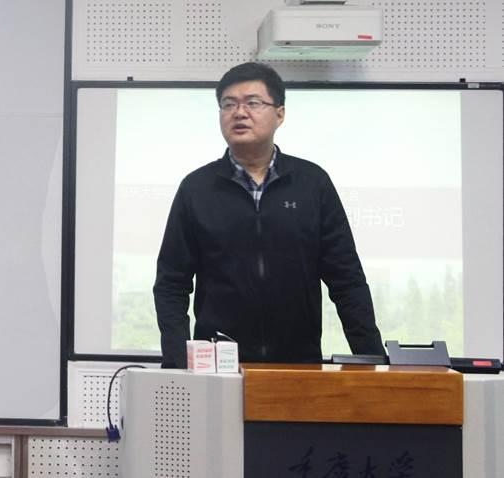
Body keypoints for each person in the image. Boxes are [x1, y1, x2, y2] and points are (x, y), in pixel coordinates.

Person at [153, 62, 384, 368]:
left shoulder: (312, 183)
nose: (239, 112)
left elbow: (346, 279)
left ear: (280, 114)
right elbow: (171, 284)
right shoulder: (197, 188)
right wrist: (178, 363)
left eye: (253, 102)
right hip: (218, 369)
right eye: (228, 104)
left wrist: (374, 360)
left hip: (298, 366)